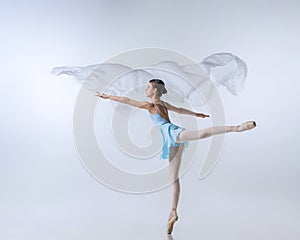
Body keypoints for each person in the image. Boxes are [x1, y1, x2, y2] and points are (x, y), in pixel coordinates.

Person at [95, 78, 256, 234]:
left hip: (172, 133)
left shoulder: (151, 105)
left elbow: (127, 100)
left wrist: (108, 96)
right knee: (173, 178)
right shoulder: (163, 103)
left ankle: (237, 128)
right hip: (170, 140)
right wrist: (196, 114)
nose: (146, 90)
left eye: (148, 87)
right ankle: (173, 212)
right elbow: (179, 110)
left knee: (201, 134)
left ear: (154, 90)